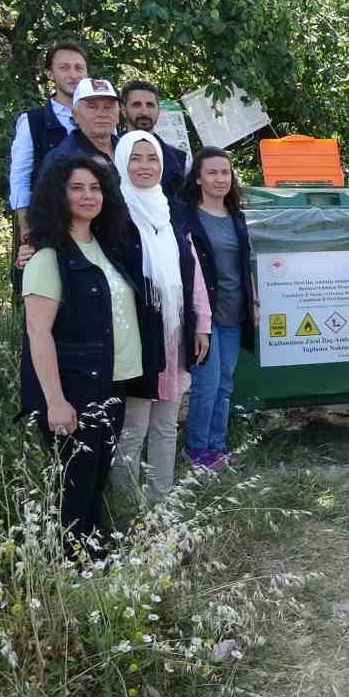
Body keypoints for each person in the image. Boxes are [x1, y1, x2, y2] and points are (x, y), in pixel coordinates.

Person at [18, 155, 161, 560]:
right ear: (57, 196)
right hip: (76, 388)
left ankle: (92, 560)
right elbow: (37, 333)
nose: (88, 195)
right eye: (77, 187)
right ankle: (70, 569)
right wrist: (56, 402)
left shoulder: (105, 247)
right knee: (74, 486)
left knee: (96, 478)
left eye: (95, 187)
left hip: (112, 382)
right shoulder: (49, 257)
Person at [110, 131, 211, 503]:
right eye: (135, 158)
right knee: (133, 427)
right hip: (137, 337)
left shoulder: (170, 214)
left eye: (151, 158)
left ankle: (160, 501)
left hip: (173, 334)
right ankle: (127, 507)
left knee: (166, 424)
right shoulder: (112, 215)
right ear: (122, 162)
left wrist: (202, 324)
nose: (144, 166)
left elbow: (193, 272)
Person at [176, 148, 257, 469]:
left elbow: (243, 263)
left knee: (224, 384)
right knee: (206, 385)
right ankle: (195, 450)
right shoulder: (185, 217)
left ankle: (216, 446)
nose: (220, 179)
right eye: (212, 172)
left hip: (234, 314)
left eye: (225, 172)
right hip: (203, 319)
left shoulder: (236, 216)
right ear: (197, 177)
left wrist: (253, 300)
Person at [8, 41, 88, 252]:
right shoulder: (33, 121)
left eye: (79, 68)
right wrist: (26, 231)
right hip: (46, 226)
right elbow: (20, 178)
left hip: (92, 226)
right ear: (50, 73)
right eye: (64, 68)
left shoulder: (101, 119)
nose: (73, 74)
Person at [40, 78, 123, 183]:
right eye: (92, 107)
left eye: (108, 107)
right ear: (75, 114)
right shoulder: (61, 159)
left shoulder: (130, 150)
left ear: (118, 114)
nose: (102, 114)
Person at [120, 80, 193, 195]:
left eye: (150, 105)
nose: (144, 112)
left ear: (158, 110)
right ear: (124, 110)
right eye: (136, 105)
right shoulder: (109, 152)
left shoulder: (179, 160)